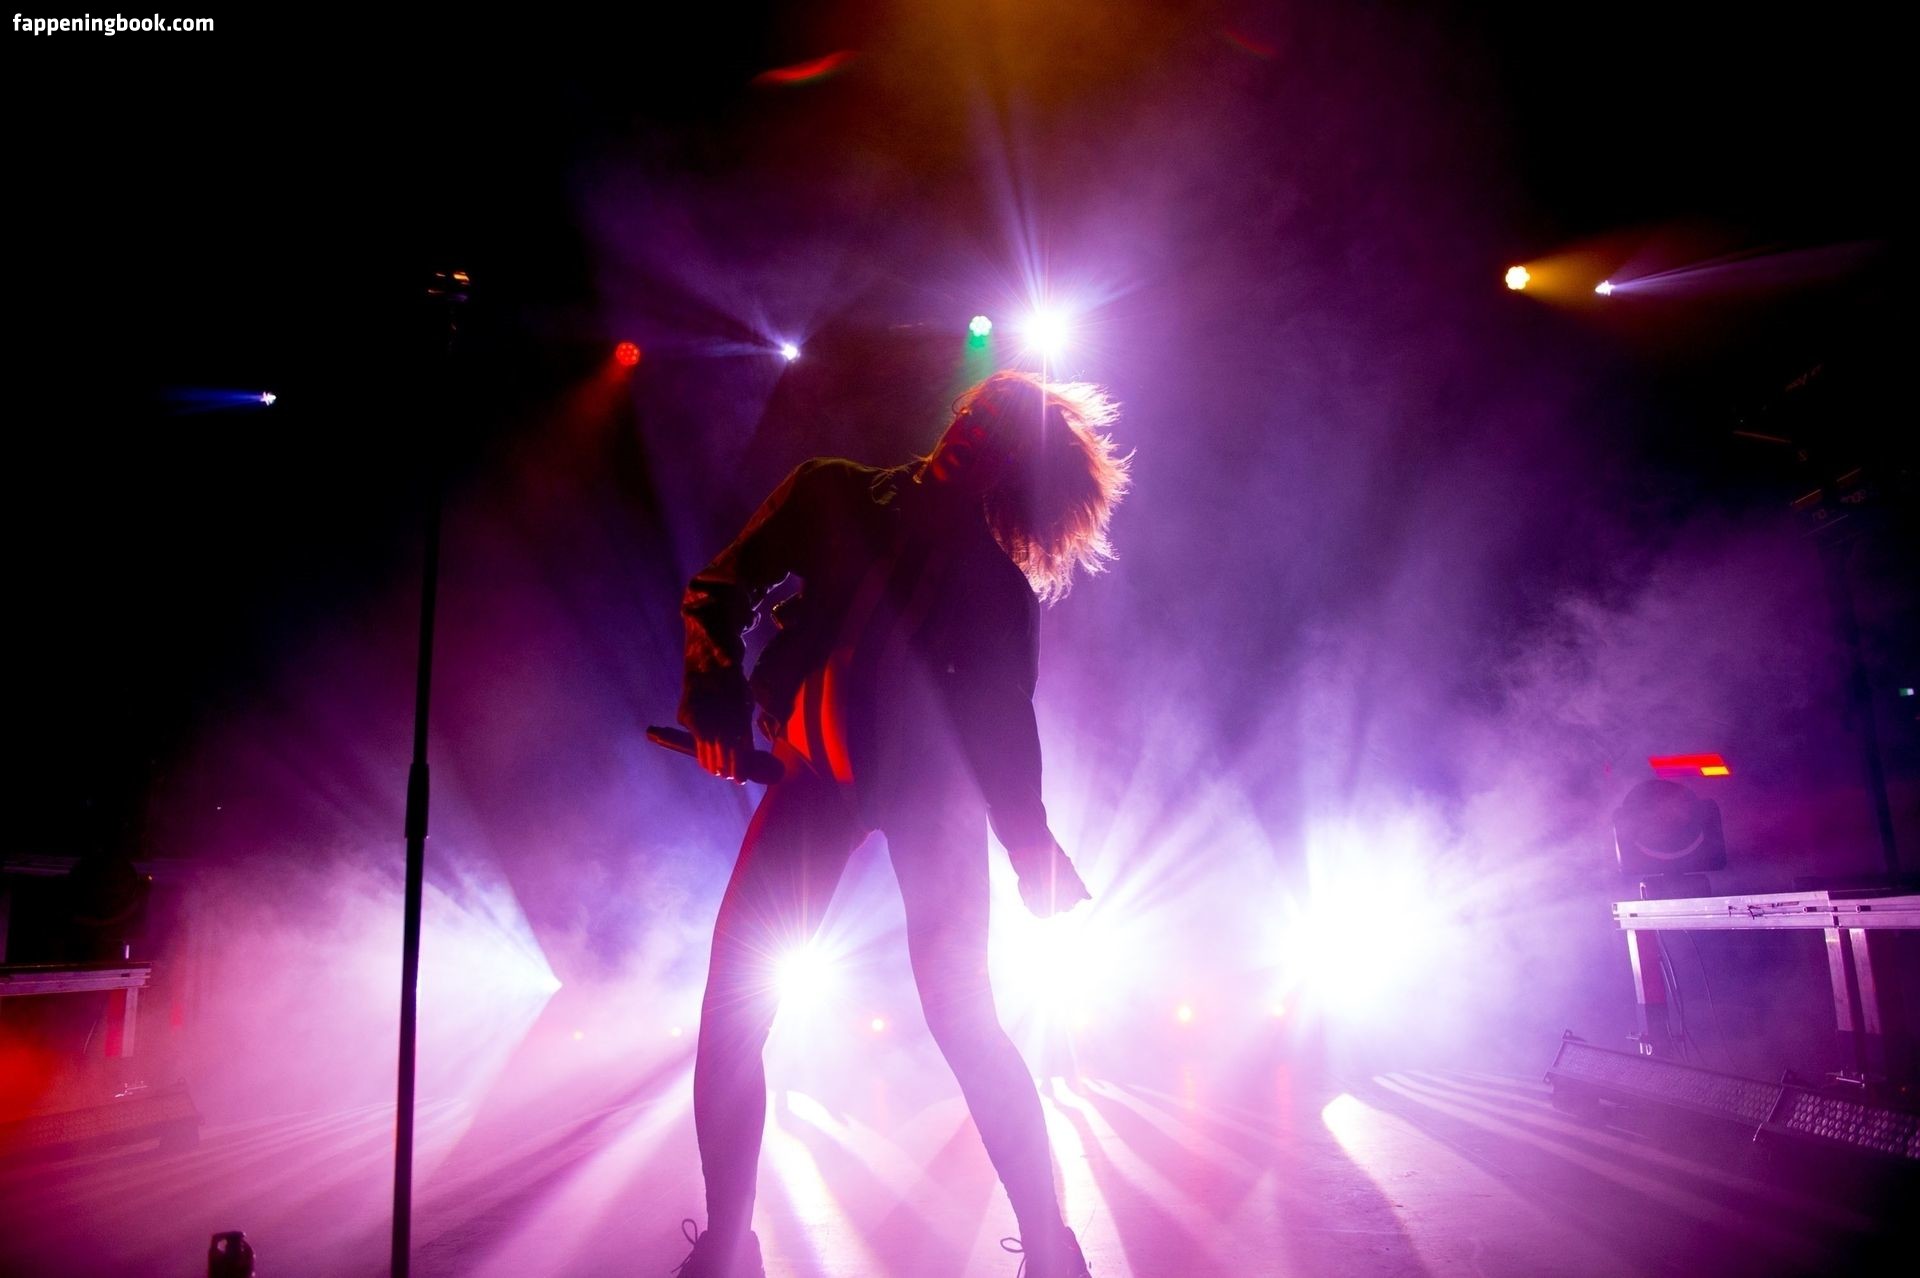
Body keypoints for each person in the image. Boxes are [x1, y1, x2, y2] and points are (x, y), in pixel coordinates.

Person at [673, 370, 1130, 1278]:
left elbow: (1004, 731)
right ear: (958, 412)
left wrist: (1031, 847)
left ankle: (1052, 1252)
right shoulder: (833, 492)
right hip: (815, 779)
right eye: (980, 413)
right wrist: (715, 699)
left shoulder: (997, 590)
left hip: (937, 803)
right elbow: (716, 589)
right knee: (731, 1014)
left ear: (1014, 467)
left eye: (1004, 434)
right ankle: (726, 1249)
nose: (980, 432)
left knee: (966, 1021)